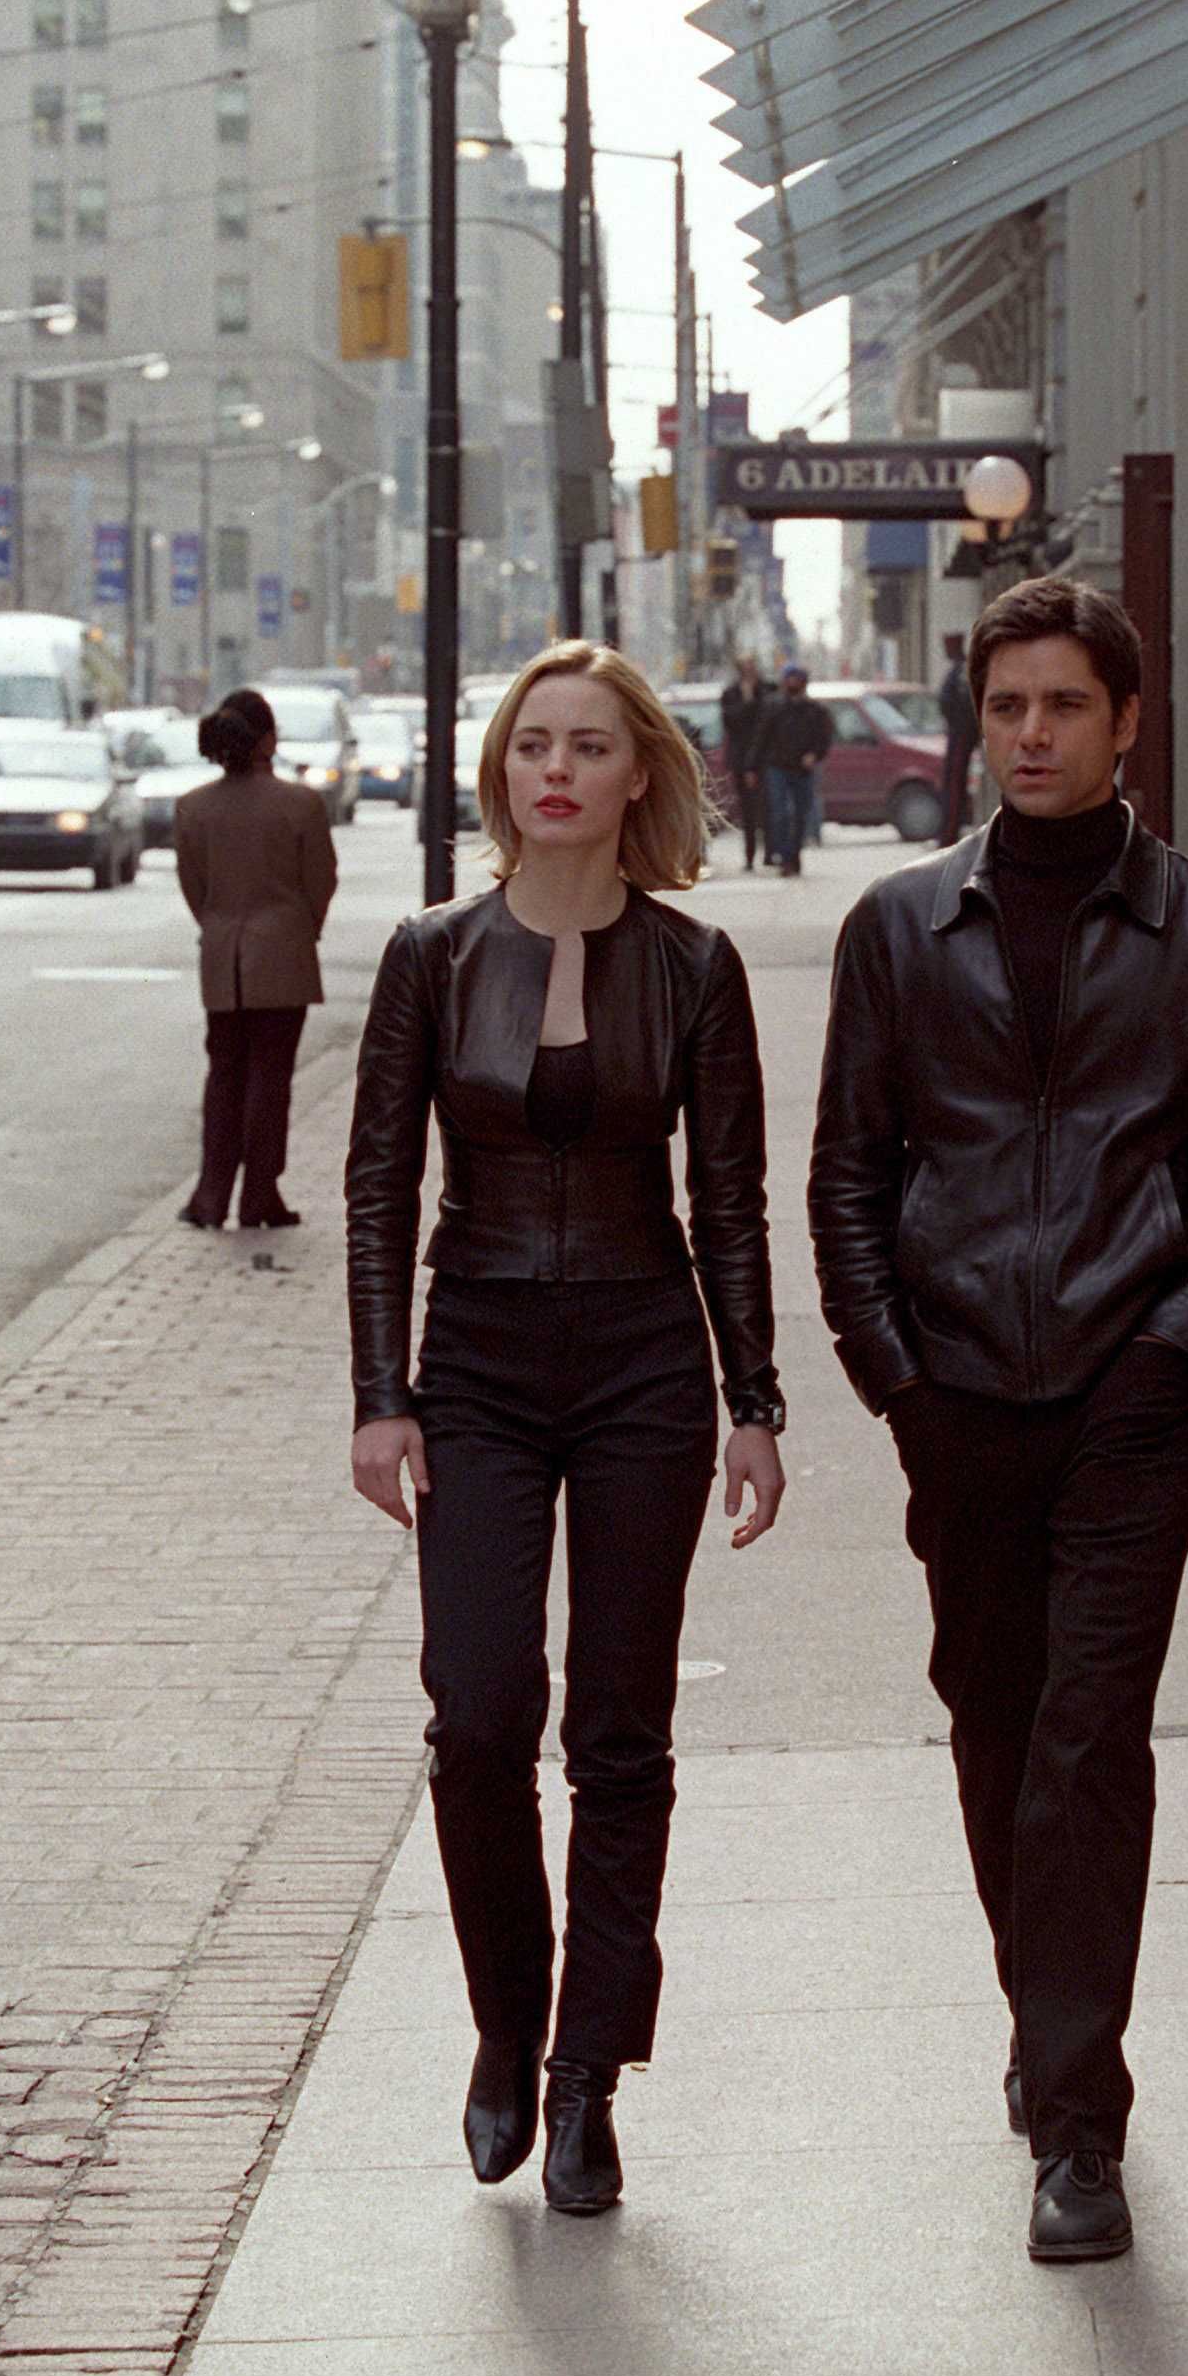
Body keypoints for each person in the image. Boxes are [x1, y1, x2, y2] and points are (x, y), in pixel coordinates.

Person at [808, 574, 1188, 2264]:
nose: (1031, 736)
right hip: (955, 1393)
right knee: (996, 1724)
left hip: (1130, 1394)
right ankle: (1048, 2032)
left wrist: (1183, 1341)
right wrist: (891, 1372)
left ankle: (1077, 2125)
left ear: (1127, 724)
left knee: (1090, 1739)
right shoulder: (899, 931)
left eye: (1064, 706)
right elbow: (848, 1174)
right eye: (1007, 707)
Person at [345, 640, 787, 2217]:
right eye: (534, 742)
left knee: (618, 1729)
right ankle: (505, 2022)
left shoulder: (694, 967)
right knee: (477, 1716)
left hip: (641, 1363)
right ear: (501, 771)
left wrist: (754, 1401)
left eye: (590, 745)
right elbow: (379, 1185)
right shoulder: (432, 955)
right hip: (473, 1359)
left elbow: (726, 1200)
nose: (557, 768)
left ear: (635, 774)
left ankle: (587, 2073)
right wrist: (380, 1395)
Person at [174, 686, 339, 1231]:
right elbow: (321, 880)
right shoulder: (301, 804)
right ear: (268, 739)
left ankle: (210, 1195)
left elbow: (194, 887)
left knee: (224, 1075)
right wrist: (302, 928)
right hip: (283, 956)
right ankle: (260, 1195)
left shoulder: (193, 808)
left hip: (222, 958)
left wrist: (220, 927)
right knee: (271, 1078)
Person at [754, 664, 833, 877]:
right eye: (790, 679)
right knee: (780, 814)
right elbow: (761, 738)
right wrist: (752, 767)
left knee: (800, 814)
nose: (793, 684)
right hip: (777, 767)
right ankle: (784, 856)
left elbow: (824, 738)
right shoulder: (774, 707)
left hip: (802, 770)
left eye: (797, 680)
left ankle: (794, 854)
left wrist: (814, 755)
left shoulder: (815, 710)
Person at [718, 651, 773, 874]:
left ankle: (770, 854)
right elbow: (731, 721)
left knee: (768, 808)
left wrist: (754, 697)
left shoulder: (766, 689)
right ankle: (750, 856)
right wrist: (747, 700)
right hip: (741, 759)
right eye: (745, 666)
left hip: (766, 757)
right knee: (748, 811)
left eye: (752, 665)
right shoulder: (730, 694)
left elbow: (769, 718)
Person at [937, 634, 979, 845]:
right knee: (952, 785)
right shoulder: (958, 670)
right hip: (958, 734)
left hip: (961, 735)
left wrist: (960, 726)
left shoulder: (961, 671)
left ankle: (949, 834)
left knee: (954, 786)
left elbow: (959, 704)